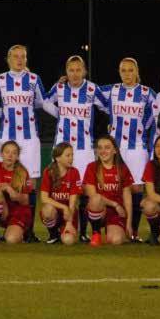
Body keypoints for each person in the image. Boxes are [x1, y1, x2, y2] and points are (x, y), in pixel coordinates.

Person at [0, 45, 47, 242]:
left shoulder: (34, 79)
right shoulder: (0, 79)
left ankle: (29, 231)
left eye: (23, 57)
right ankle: (0, 225)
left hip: (29, 138)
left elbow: (41, 102)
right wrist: (2, 113)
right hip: (6, 137)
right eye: (15, 57)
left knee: (31, 183)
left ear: (26, 59)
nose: (19, 60)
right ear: (8, 59)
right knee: (0, 182)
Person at [45, 55, 108, 242]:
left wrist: (111, 126)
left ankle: (82, 232)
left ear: (84, 71)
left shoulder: (91, 88)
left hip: (84, 148)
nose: (74, 73)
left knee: (84, 191)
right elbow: (45, 101)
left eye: (78, 69)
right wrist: (60, 115)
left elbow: (106, 106)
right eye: (71, 70)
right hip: (61, 147)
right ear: (66, 72)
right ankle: (57, 230)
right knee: (59, 187)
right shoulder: (59, 87)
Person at [99, 57, 155, 242]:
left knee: (137, 188)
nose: (127, 74)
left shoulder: (147, 93)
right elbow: (91, 92)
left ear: (137, 72)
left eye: (131, 70)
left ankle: (134, 231)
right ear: (119, 72)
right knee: (112, 186)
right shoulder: (112, 90)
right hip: (115, 148)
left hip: (137, 147)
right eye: (123, 70)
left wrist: (145, 130)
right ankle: (107, 227)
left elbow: (159, 109)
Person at [83, 135, 134, 245]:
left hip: (116, 213)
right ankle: (96, 234)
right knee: (96, 199)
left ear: (115, 150)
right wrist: (115, 204)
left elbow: (127, 198)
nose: (103, 151)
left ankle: (110, 232)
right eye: (100, 148)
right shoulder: (92, 167)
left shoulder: (122, 169)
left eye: (107, 147)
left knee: (116, 240)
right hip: (98, 209)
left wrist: (129, 224)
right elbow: (92, 195)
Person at [0, 141, 34, 244]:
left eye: (14, 153)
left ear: (17, 156)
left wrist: (10, 190)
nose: (10, 155)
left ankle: (23, 233)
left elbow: (26, 201)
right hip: (3, 210)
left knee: (11, 239)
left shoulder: (22, 172)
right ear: (1, 154)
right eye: (7, 152)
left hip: (19, 213)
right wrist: (0, 188)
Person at [39, 142, 82, 245]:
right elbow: (44, 198)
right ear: (58, 158)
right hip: (54, 212)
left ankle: (64, 231)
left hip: (69, 214)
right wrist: (63, 207)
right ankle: (53, 235)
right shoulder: (48, 172)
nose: (71, 158)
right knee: (47, 209)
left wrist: (69, 222)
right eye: (68, 155)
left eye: (72, 155)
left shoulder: (74, 172)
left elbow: (73, 202)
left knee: (68, 241)